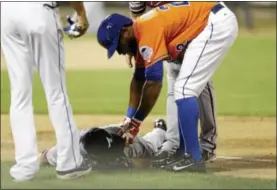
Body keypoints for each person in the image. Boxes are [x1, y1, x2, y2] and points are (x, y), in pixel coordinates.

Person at [97, 2, 238, 172]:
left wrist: (136, 123)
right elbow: (138, 78)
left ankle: (194, 158)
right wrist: (129, 120)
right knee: (182, 88)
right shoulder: (139, 31)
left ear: (125, 32)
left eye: (117, 46)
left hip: (215, 22)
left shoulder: (147, 31)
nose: (119, 52)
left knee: (185, 89)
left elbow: (154, 83)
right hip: (204, 22)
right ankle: (181, 153)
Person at [1, 2, 91, 181]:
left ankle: (24, 168)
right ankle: (69, 164)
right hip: (38, 11)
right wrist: (81, 13)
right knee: (56, 92)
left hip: (6, 13)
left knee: (19, 95)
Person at [127, 1, 219, 162]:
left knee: (200, 82)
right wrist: (132, 45)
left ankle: (207, 144)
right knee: (174, 85)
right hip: (169, 31)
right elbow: (137, 16)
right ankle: (173, 142)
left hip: (199, 22)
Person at [39, 119, 168, 170]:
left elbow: (148, 162)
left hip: (118, 134)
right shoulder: (71, 150)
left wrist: (131, 164)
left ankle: (160, 130)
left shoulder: (118, 137)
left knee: (150, 147)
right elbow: (44, 157)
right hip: (93, 141)